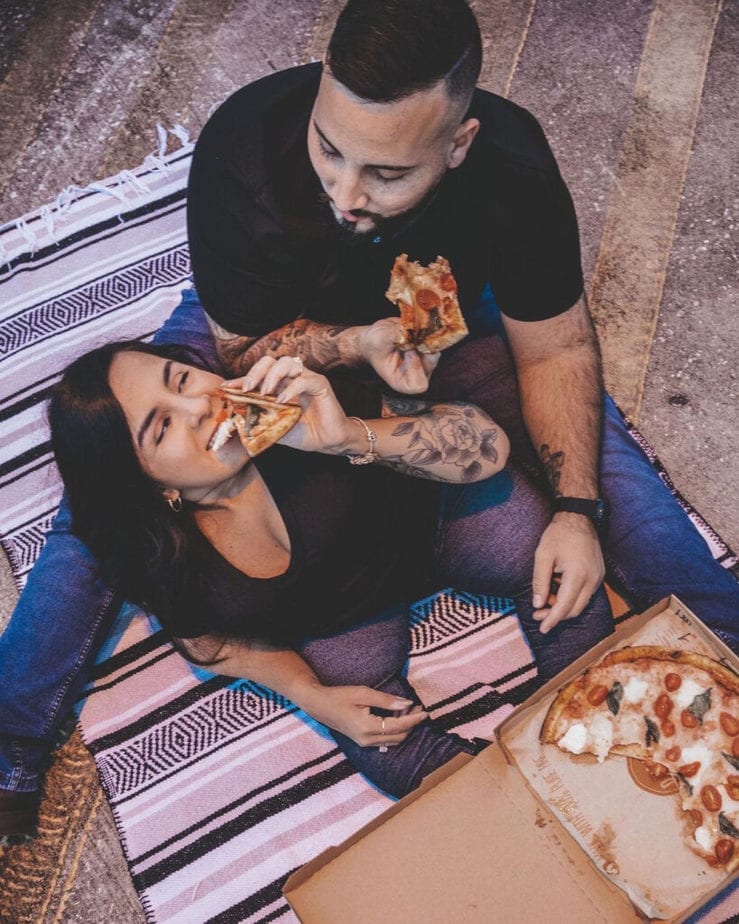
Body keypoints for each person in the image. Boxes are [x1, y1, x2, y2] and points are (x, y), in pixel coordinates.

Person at [1, 0, 737, 834]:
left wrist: (573, 509)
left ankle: (721, 651)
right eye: (328, 151)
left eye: (385, 174)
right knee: (108, 486)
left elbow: (557, 352)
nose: (344, 196)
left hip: (441, 324)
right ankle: (9, 742)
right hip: (274, 331)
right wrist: (351, 346)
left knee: (602, 487)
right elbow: (241, 353)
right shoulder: (242, 156)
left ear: (457, 146)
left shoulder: (510, 169)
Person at [42, 338, 612, 800]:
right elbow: (210, 642)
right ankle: (531, 815)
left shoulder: (298, 398)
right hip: (342, 617)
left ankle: (599, 763)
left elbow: (486, 444)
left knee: (565, 586)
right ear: (152, 485)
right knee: (387, 744)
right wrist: (307, 691)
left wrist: (344, 437)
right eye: (161, 428)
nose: (199, 407)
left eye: (182, 379)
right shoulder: (156, 552)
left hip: (437, 524)